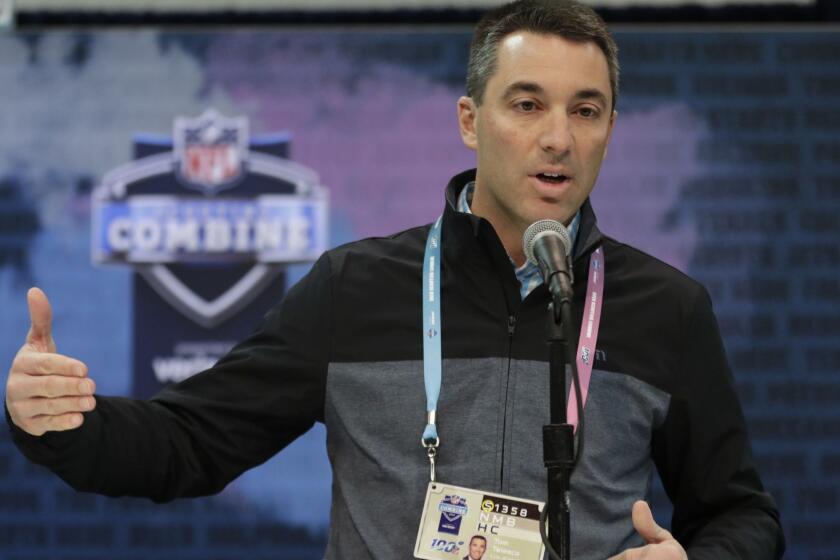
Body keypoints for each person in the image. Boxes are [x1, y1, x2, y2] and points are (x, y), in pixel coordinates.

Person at [5, 1, 784, 559]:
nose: (558, 138)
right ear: (470, 121)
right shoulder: (358, 287)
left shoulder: (668, 310)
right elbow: (189, 444)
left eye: (587, 110)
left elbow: (743, 515)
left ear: (611, 126)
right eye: (526, 103)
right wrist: (61, 424)